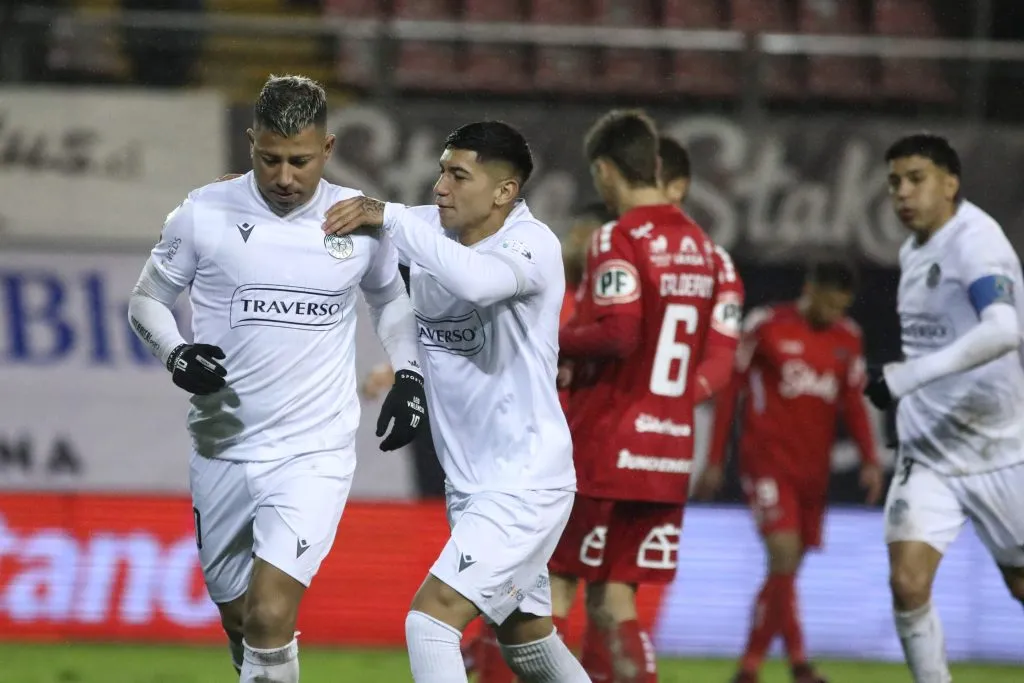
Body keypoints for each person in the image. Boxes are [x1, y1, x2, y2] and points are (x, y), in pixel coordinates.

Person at [127, 75, 425, 683]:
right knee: (239, 617)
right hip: (223, 445)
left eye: (300, 161)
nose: (284, 177)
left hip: (313, 452)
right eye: (269, 159)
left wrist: (409, 375)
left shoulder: (356, 220)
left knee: (269, 614)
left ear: (329, 148)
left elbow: (392, 303)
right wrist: (176, 353)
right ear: (250, 144)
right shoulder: (203, 213)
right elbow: (146, 302)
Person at [321, 121, 590, 683]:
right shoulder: (427, 228)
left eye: (457, 174)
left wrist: (390, 216)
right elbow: (333, 209)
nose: (439, 185)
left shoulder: (531, 243)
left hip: (523, 482)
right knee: (526, 642)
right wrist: (243, 197)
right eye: (442, 170)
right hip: (473, 482)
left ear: (503, 192)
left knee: (431, 623)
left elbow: (479, 285)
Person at [541, 110, 728, 683]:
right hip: (668, 454)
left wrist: (547, 339)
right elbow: (717, 357)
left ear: (604, 170)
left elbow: (619, 333)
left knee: (549, 590)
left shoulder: (616, 237)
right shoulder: (704, 249)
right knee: (616, 603)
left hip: (606, 448)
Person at [864, 133, 1024, 683]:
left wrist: (908, 377)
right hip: (928, 451)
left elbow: (1004, 329)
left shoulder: (977, 242)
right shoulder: (914, 250)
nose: (903, 193)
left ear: (950, 183)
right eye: (894, 182)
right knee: (907, 583)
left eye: (916, 179)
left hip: (1000, 448)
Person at [697, 258, 883, 683]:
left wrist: (870, 459)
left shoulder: (847, 338)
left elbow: (853, 404)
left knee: (785, 571)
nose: (833, 315)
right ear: (809, 288)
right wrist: (713, 460)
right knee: (782, 555)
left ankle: (757, 664)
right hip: (766, 464)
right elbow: (730, 396)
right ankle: (787, 664)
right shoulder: (767, 326)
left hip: (812, 474)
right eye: (827, 304)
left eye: (841, 307)